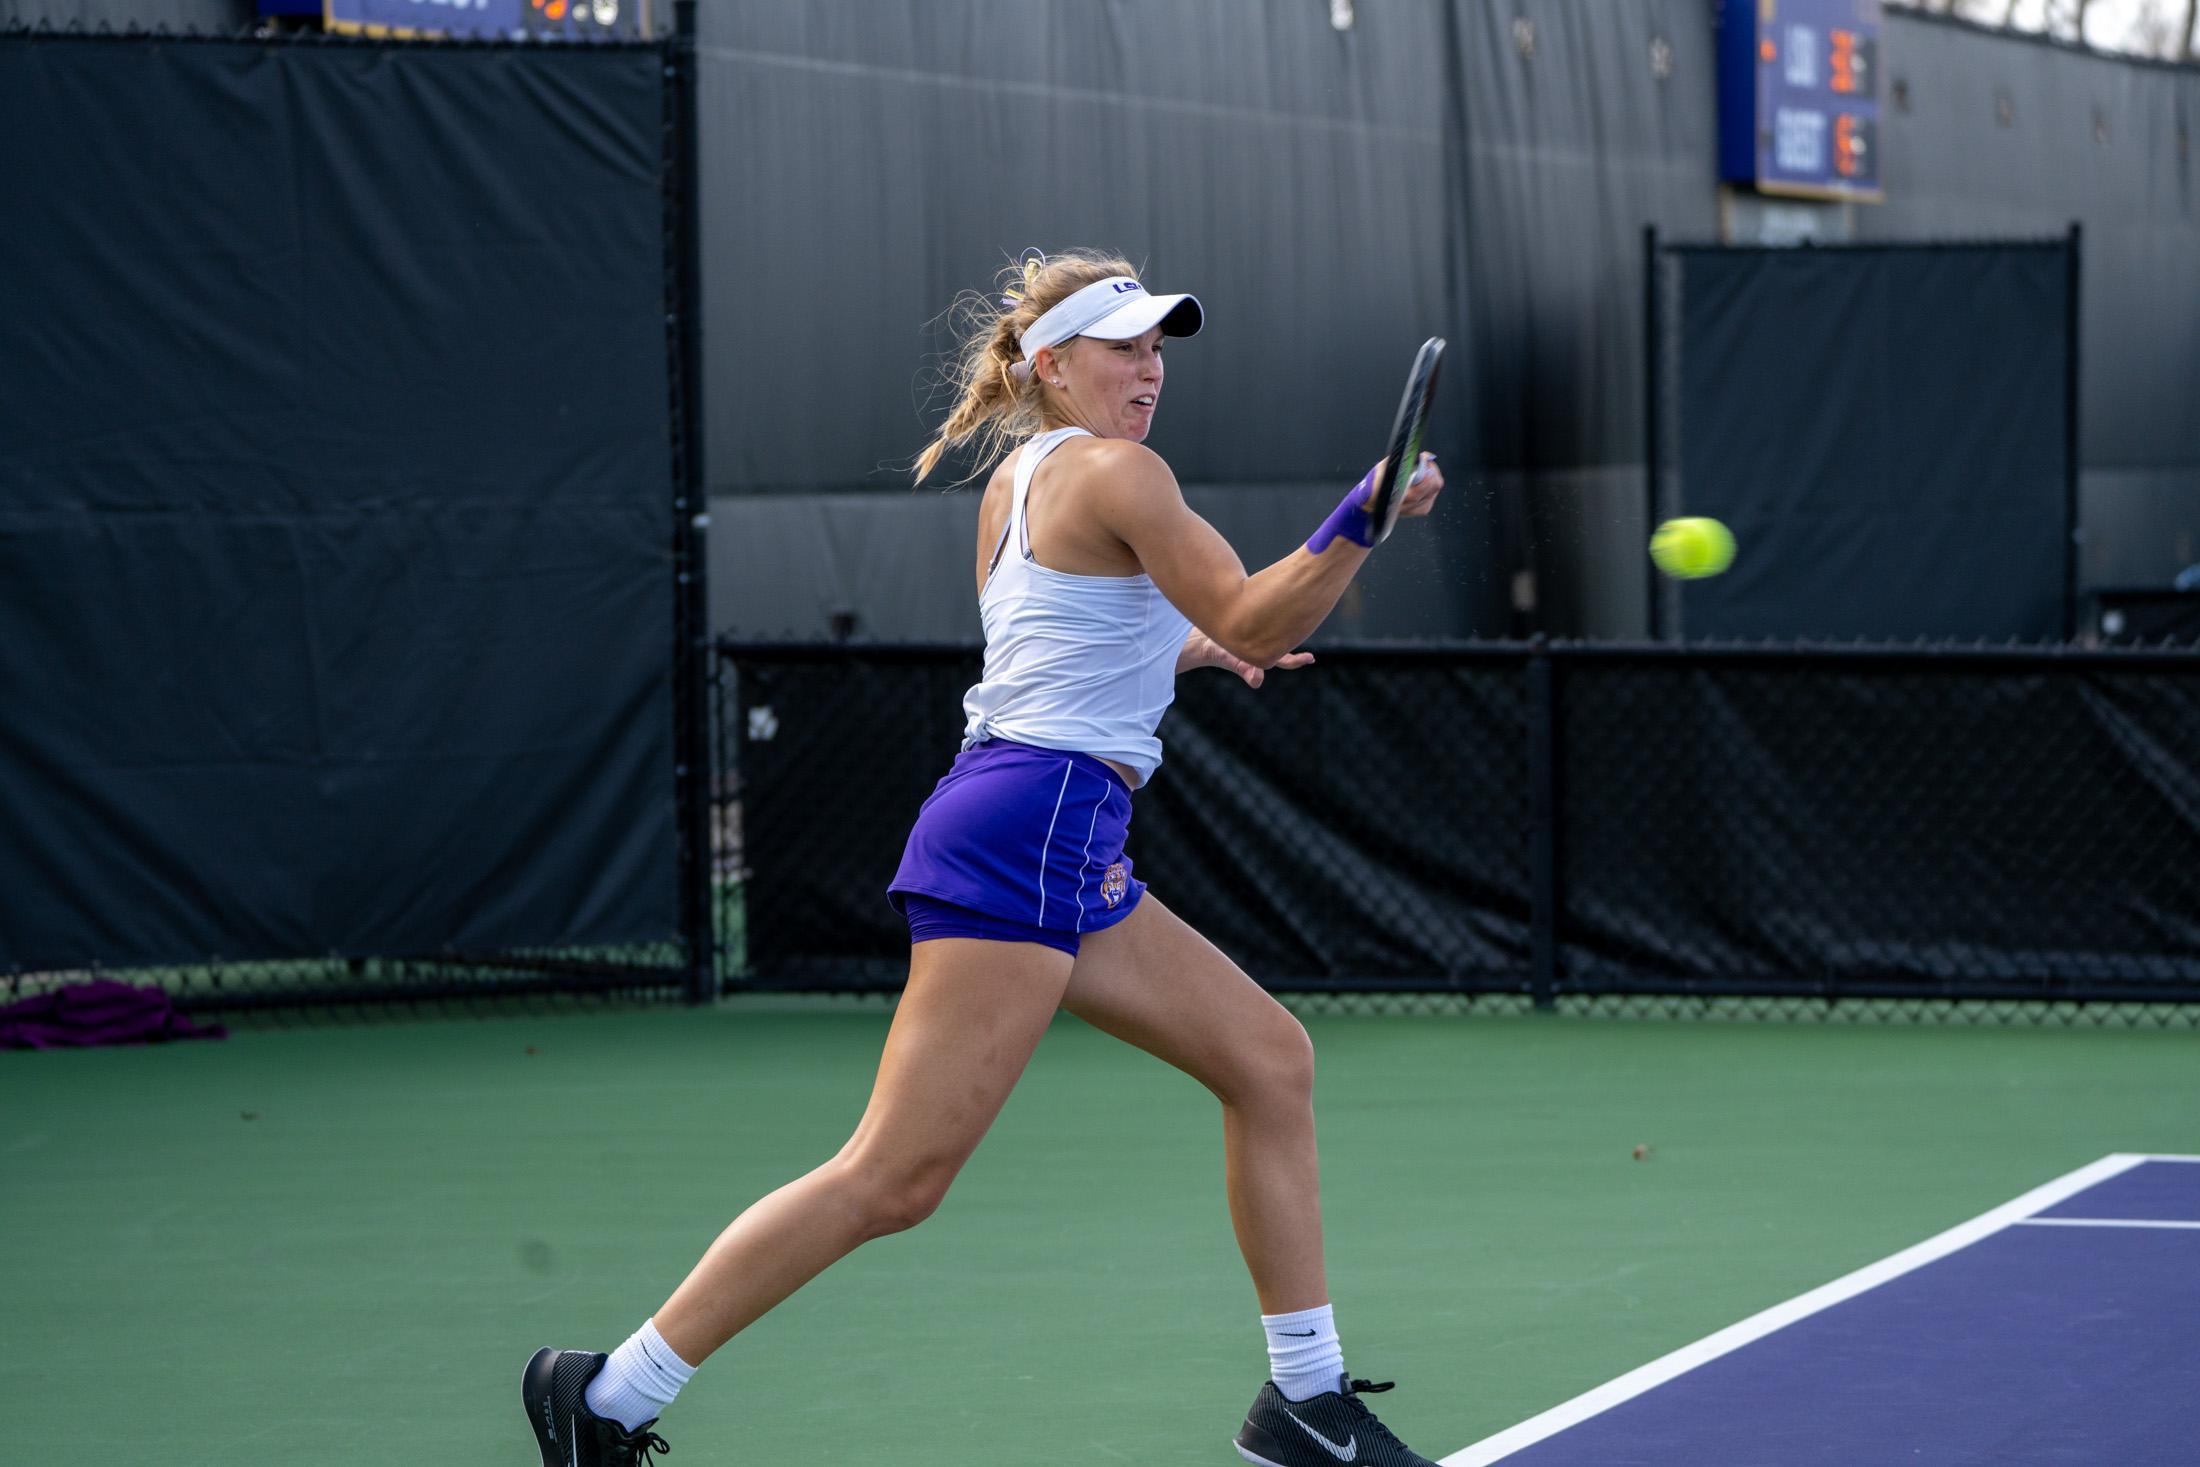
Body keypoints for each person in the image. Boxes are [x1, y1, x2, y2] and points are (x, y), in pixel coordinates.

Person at [522, 248, 1450, 1467]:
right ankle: (608, 1397)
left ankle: (1305, 1402)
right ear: (1053, 365)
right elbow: (1256, 612)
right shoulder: (1121, 474)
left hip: (1049, 818)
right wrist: (1359, 521)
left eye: (1159, 347)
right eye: (1123, 345)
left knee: (1268, 1060)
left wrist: (1183, 658)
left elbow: (1055, 658)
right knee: (894, 1177)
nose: (1148, 368)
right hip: (1030, 827)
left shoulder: (1018, 483)